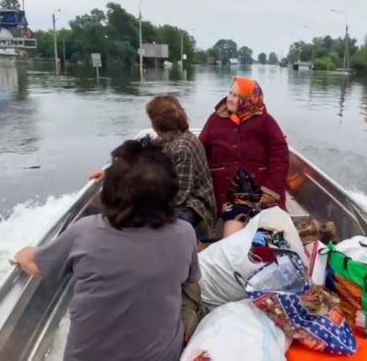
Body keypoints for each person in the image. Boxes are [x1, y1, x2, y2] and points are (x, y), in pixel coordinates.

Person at [15, 139, 199, 361]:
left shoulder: (84, 232)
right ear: (171, 193)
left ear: (109, 192)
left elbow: (37, 267)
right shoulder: (185, 233)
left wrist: (23, 253)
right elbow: (190, 279)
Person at [90, 95, 216, 241]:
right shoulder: (167, 138)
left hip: (194, 205)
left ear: (157, 124)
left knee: (154, 228)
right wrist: (108, 172)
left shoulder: (184, 148)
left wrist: (142, 207)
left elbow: (180, 195)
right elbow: (140, 158)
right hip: (172, 196)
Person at [200, 76, 289, 237]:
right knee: (232, 237)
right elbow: (200, 151)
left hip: (261, 191)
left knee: (267, 235)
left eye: (235, 95)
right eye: (230, 93)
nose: (229, 99)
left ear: (249, 99)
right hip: (231, 194)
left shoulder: (266, 121)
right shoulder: (215, 120)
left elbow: (280, 157)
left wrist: (271, 191)